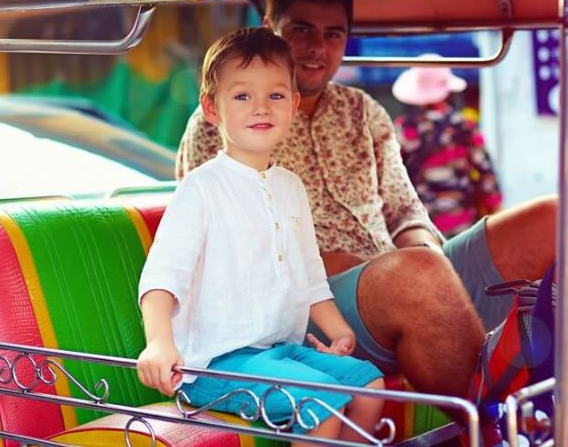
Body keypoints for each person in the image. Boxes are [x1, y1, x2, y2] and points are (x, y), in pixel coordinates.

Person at [177, 0, 568, 400]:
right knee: (412, 275)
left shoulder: (362, 110)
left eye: (333, 34)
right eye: (301, 29)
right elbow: (217, 244)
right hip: (308, 308)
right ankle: (502, 424)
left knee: (556, 218)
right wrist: (330, 260)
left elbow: (404, 210)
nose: (317, 47)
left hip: (403, 275)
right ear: (269, 25)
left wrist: (429, 256)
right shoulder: (223, 118)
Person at [137, 27, 385, 444]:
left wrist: (340, 330)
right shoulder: (202, 188)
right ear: (212, 109)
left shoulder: (291, 186)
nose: (260, 108)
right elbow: (162, 277)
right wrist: (159, 344)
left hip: (279, 351)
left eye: (274, 95)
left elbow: (310, 277)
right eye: (241, 96)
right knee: (320, 401)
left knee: (370, 387)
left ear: (292, 104)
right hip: (214, 363)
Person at [391, 59, 502, 238]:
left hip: (420, 225)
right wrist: (495, 209)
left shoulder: (404, 130)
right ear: (447, 91)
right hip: (461, 221)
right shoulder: (465, 127)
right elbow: (485, 174)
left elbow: (391, 178)